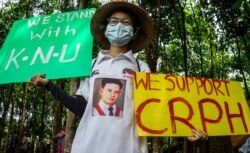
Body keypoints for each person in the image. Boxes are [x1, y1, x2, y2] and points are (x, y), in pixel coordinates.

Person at [28, 1, 208, 153]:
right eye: (113, 21)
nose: (119, 25)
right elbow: (83, 108)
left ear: (135, 32)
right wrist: (49, 86)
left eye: (126, 22)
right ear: (106, 30)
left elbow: (155, 111)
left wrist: (187, 128)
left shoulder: (141, 68)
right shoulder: (91, 65)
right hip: (88, 147)